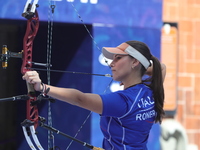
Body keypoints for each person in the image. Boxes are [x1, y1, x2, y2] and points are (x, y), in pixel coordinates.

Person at [22, 40, 166, 150]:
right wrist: (136, 72)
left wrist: (42, 87)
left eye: (118, 58)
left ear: (135, 61)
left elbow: (79, 98)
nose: (111, 64)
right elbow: (162, 68)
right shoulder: (150, 92)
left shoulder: (123, 102)